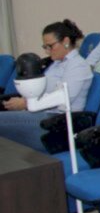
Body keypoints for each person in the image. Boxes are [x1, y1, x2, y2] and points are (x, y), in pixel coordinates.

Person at [1, 20, 94, 151]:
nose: (47, 51)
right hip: (43, 115)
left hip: (57, 122)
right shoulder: (56, 63)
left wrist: (26, 104)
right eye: (45, 47)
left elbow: (62, 99)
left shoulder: (78, 66)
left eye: (50, 46)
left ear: (66, 41)